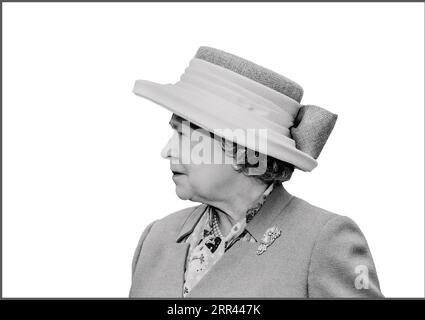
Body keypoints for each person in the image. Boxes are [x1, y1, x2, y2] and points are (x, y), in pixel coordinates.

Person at [129, 46, 383, 298]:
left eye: (182, 134)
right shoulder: (156, 238)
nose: (167, 150)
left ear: (241, 148)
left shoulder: (325, 241)